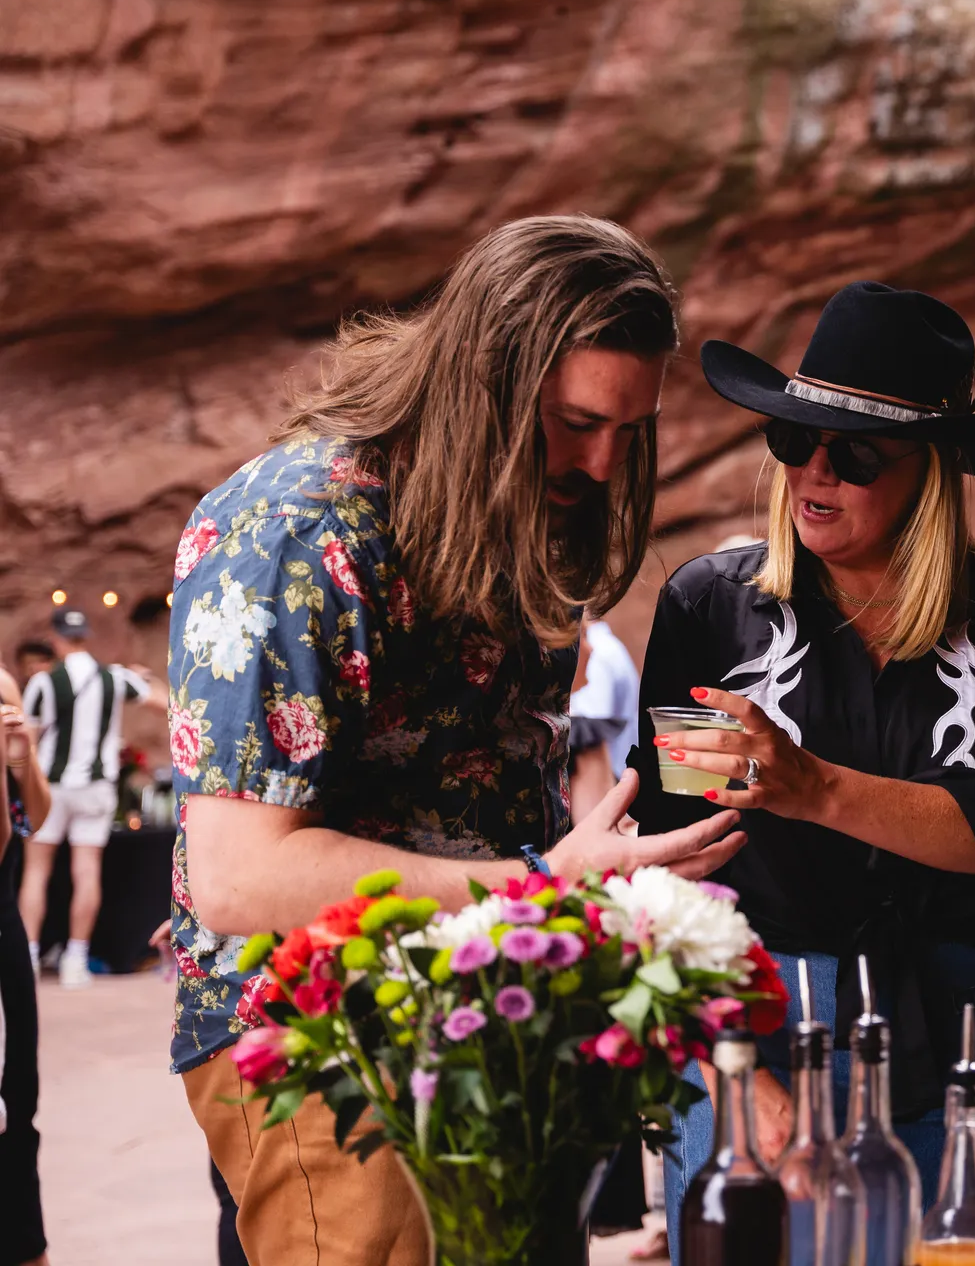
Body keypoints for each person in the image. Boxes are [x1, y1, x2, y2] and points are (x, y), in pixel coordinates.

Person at [165, 215, 747, 1266]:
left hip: (494, 1023)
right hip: (325, 1042)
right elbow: (239, 877)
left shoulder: (522, 504)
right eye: (576, 422)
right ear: (486, 378)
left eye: (631, 429)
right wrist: (538, 883)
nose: (606, 464)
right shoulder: (298, 530)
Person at [633, 280, 975, 1258]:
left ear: (934, 468)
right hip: (749, 1024)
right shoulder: (711, 606)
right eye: (794, 439)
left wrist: (811, 784)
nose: (814, 470)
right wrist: (732, 1064)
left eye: (856, 453)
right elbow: (668, 854)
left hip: (944, 1033)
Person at [17, 607, 164, 986]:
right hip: (96, 788)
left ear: (56, 638)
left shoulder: (44, 683)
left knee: (36, 871)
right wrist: (147, 678)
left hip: (51, 787)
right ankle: (76, 959)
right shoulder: (113, 678)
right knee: (87, 872)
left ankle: (28, 957)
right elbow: (162, 702)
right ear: (86, 637)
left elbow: (28, 742)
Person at [0, 666, 52, 1266]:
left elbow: (30, 821)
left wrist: (20, 754)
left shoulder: (6, 691)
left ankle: (25, 1246)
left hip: (2, 929)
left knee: (18, 1099)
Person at [568, 616, 642, 816]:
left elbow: (587, 739)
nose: (590, 647)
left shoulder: (601, 654)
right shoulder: (610, 647)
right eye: (582, 636)